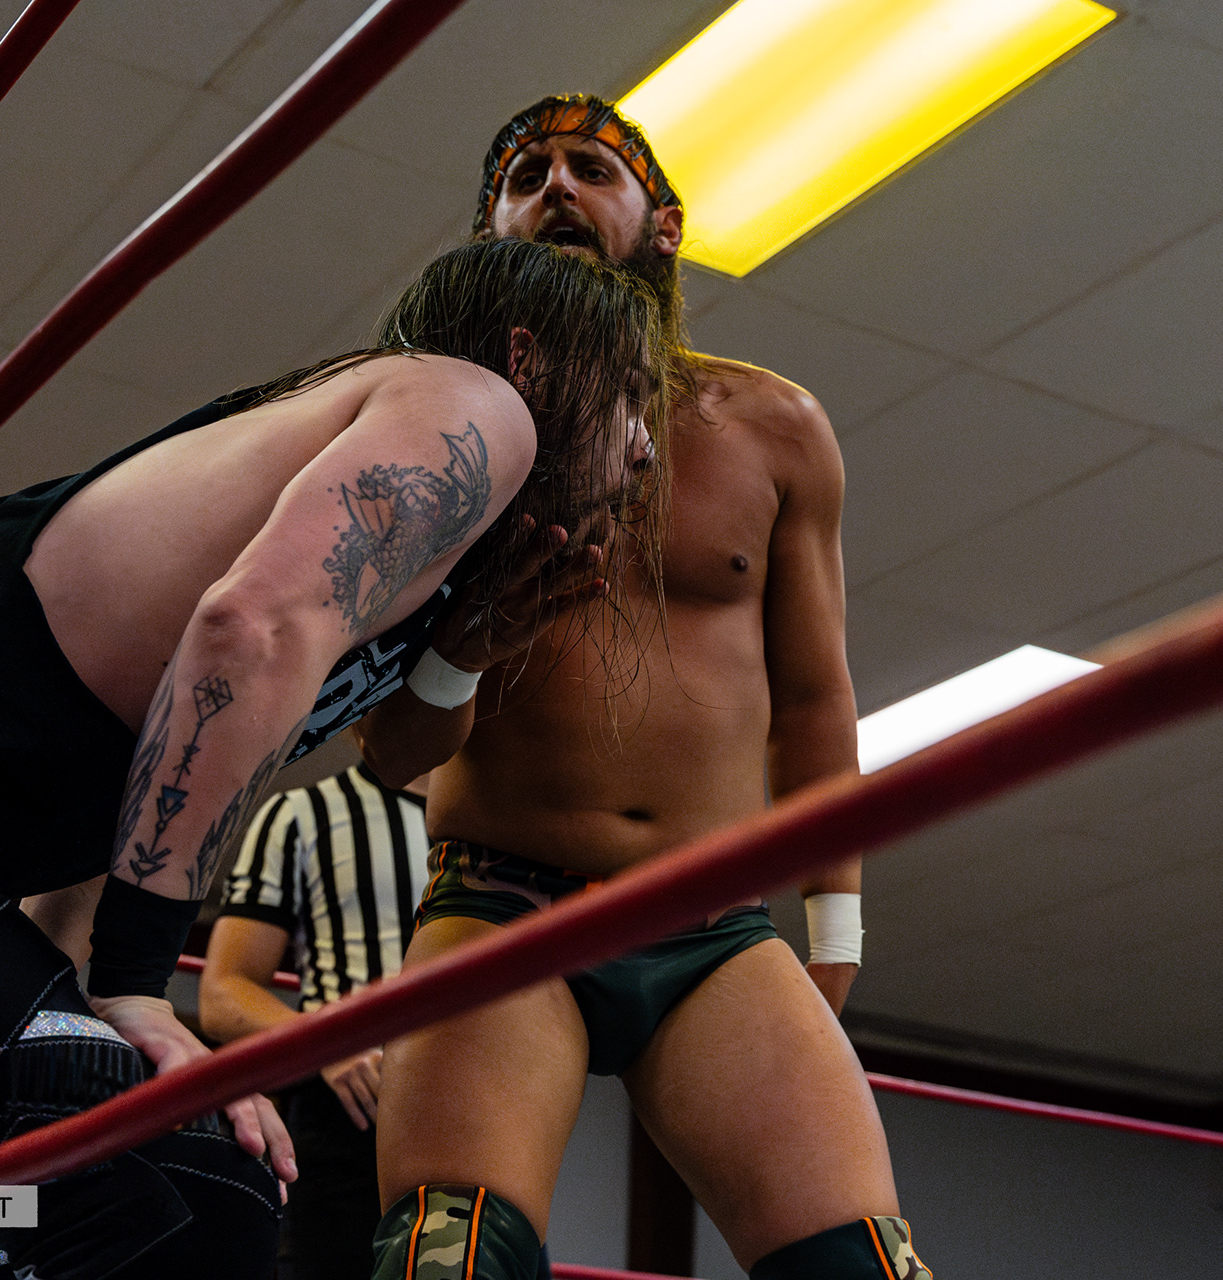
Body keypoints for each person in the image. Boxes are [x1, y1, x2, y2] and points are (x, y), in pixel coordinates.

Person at [0, 237, 664, 1280]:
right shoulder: (475, 409)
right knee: (192, 1187)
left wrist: (87, 993)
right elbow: (249, 627)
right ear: (528, 357)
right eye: (630, 393)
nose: (644, 445)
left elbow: (153, 760)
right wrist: (139, 984)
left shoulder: (422, 543)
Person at [357, 98, 934, 1280]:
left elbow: (814, 699)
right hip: (503, 907)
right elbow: (389, 752)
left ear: (663, 226)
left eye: (591, 167)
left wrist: (837, 926)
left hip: (712, 925)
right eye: (525, 175)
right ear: (492, 231)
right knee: (445, 1257)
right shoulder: (443, 439)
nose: (556, 187)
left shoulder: (773, 427)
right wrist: (473, 635)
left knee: (865, 1264)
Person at [200, 764, 432, 1280]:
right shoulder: (303, 814)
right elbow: (223, 991)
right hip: (353, 1116)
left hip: (484, 1114)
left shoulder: (503, 830)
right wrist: (330, 1043)